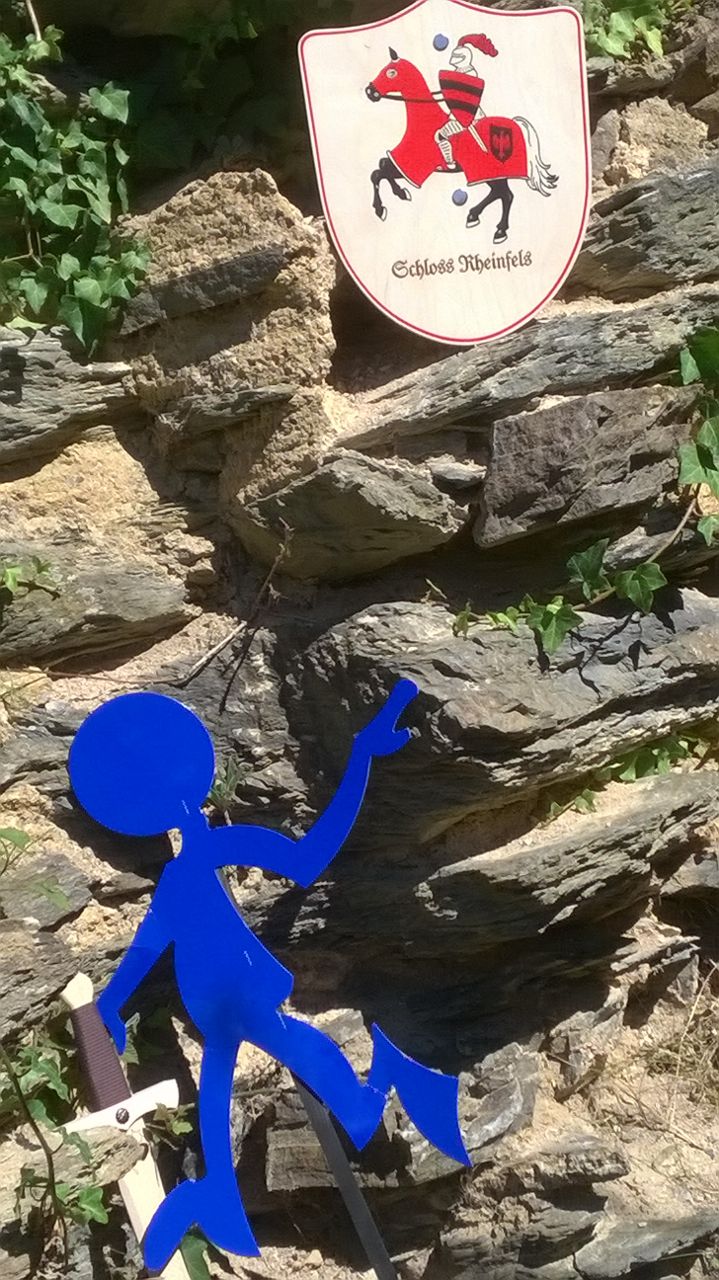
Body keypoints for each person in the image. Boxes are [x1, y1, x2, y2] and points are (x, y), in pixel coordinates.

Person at [69, 681, 470, 1271]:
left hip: (245, 994)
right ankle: (214, 1197)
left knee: (301, 1065)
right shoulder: (177, 877)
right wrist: (109, 1004)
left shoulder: (223, 845)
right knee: (213, 1105)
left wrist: (361, 758)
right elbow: (149, 945)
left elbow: (310, 857)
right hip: (213, 1009)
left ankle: (382, 1076)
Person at [435, 33, 498, 168]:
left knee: (441, 135)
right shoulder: (459, 72)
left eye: (457, 57)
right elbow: (451, 92)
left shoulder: (469, 74)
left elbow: (461, 95)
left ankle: (450, 163)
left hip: (467, 116)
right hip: (463, 114)